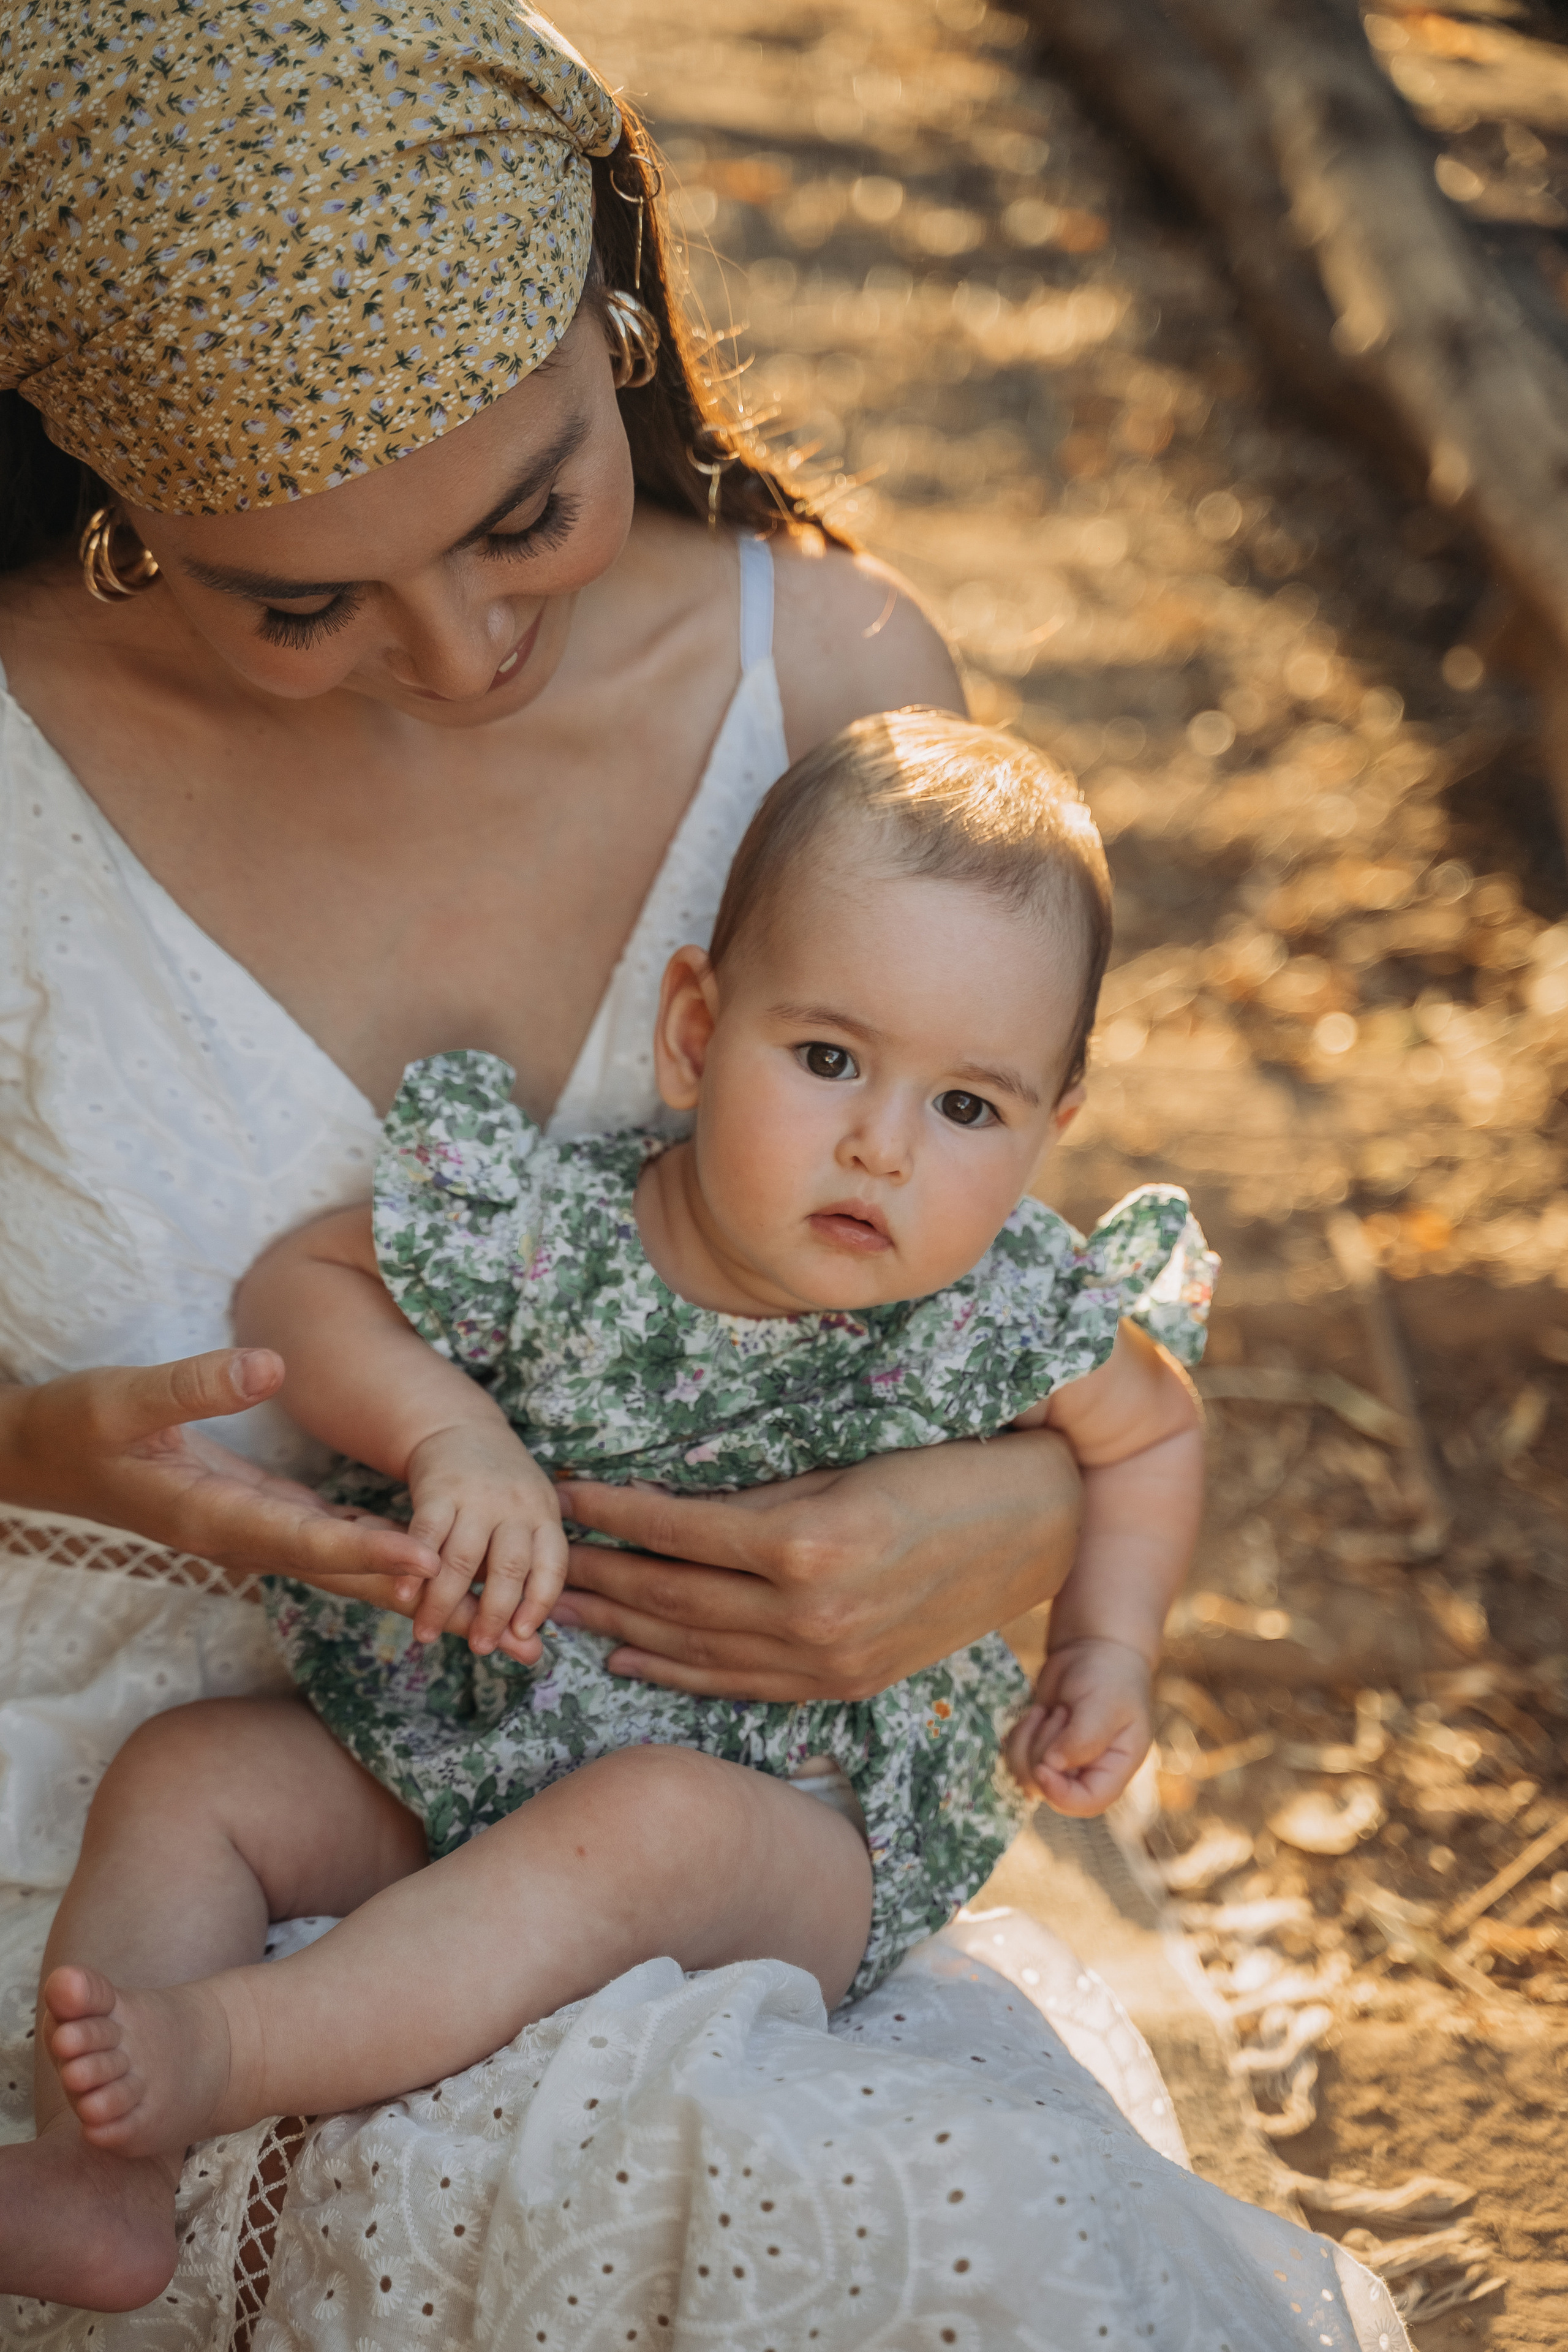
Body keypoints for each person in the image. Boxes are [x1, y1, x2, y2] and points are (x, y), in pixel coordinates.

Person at [0, 7, 1412, 2345]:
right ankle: (119, 2153)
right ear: (113, 477)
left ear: (613, 312)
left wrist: (1033, 1545)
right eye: (296, 601)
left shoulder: (836, 689)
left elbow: (1017, 1293)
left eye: (520, 513)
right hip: (158, 1777)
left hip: (701, 1789)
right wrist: (41, 1458)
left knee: (914, 2246)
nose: (453, 657)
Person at [40, 710, 1216, 2166]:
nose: (884, 1146)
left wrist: (1108, 1646)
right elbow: (305, 1283)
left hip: (791, 1824)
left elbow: (1153, 1434)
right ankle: (97, 2184)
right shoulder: (562, 1231)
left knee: (647, 1823)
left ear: (1052, 1128)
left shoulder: (1005, 1306)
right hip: (470, 1742)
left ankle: (226, 2049)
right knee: (187, 1775)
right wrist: (449, 1434)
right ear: (695, 1034)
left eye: (967, 1104)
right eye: (829, 1058)